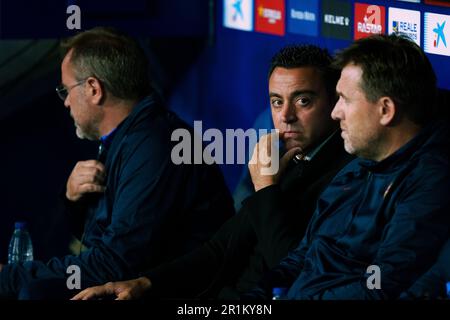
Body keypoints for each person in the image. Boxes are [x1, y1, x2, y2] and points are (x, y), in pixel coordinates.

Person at [72, 44, 355, 300]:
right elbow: (219, 249)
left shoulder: (348, 175)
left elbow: (298, 275)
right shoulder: (292, 158)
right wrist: (144, 284)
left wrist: (266, 189)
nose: (286, 116)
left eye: (303, 101)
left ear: (334, 103)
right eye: (277, 102)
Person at [0, 27, 234, 299]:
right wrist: (74, 202)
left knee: (33, 292)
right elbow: (102, 241)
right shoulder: (126, 137)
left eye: (65, 90)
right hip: (138, 284)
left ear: (93, 89)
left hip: (189, 297)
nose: (65, 103)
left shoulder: (156, 145)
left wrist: (8, 277)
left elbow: (115, 263)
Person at [241, 34, 450, 300]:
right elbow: (301, 258)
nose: (335, 112)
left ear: (385, 110)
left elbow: (380, 286)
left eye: (345, 99)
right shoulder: (356, 168)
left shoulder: (430, 182)